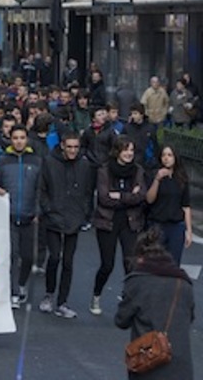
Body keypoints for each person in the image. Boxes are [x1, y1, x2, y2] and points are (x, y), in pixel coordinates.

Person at [114, 228, 195, 380]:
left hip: (149, 362)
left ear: (140, 258)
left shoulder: (137, 281)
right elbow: (189, 318)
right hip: (180, 366)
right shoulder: (183, 284)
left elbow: (121, 320)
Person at [38, 131, 93, 318]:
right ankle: (49, 294)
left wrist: (84, 213)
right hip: (53, 216)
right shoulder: (49, 162)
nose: (72, 151)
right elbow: (42, 188)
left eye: (76, 147)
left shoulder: (84, 165)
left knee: (68, 262)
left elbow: (87, 191)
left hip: (74, 217)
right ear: (62, 145)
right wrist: (48, 208)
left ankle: (63, 301)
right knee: (54, 257)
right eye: (69, 147)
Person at [91, 136, 147, 316]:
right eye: (125, 150)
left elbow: (141, 196)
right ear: (117, 151)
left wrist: (120, 196)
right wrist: (129, 196)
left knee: (130, 263)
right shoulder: (105, 170)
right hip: (107, 221)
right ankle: (96, 295)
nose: (129, 153)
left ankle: (128, 299)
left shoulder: (138, 170)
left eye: (131, 150)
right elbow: (104, 198)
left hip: (130, 221)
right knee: (107, 264)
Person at [0, 126, 42, 309]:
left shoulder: (36, 161)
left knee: (28, 256)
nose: (19, 141)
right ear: (10, 139)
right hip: (9, 215)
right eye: (15, 137)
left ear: (27, 139)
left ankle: (21, 284)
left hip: (30, 216)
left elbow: (40, 188)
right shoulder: (2, 161)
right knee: (12, 255)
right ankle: (13, 291)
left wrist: (38, 211)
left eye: (22, 137)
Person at [145, 146, 193, 265]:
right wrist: (157, 179)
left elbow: (186, 206)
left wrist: (189, 231)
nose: (166, 158)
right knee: (155, 263)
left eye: (170, 155)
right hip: (157, 225)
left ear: (175, 158)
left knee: (173, 264)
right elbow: (149, 199)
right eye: (164, 155)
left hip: (176, 226)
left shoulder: (182, 178)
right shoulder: (153, 174)